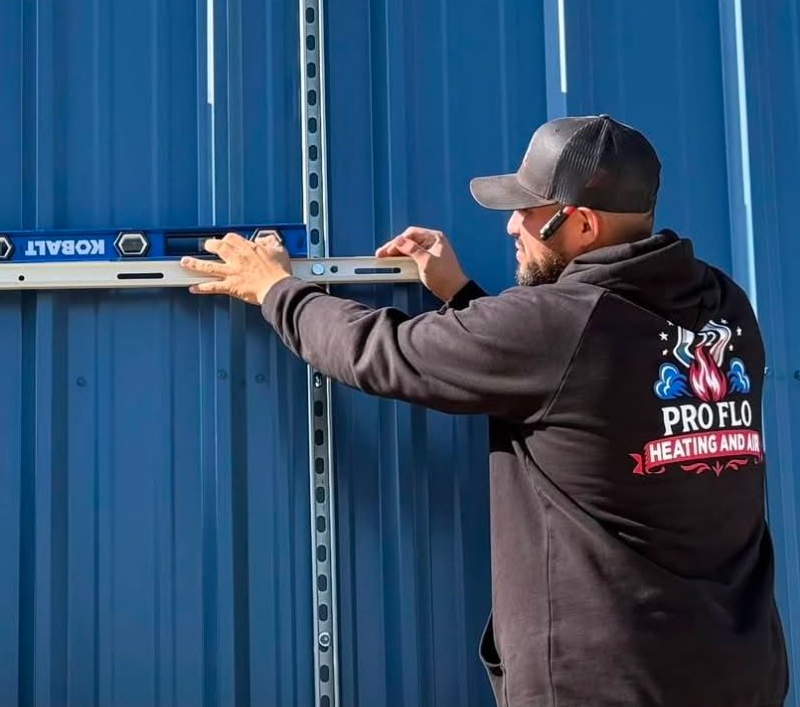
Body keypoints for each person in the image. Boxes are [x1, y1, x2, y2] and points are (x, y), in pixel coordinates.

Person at [184, 114, 788, 707]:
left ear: (577, 223)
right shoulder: (723, 305)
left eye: (525, 211)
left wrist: (276, 289)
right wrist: (463, 298)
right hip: (740, 672)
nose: (511, 229)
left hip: (606, 682)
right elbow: (577, 384)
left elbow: (382, 352)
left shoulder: (558, 326)